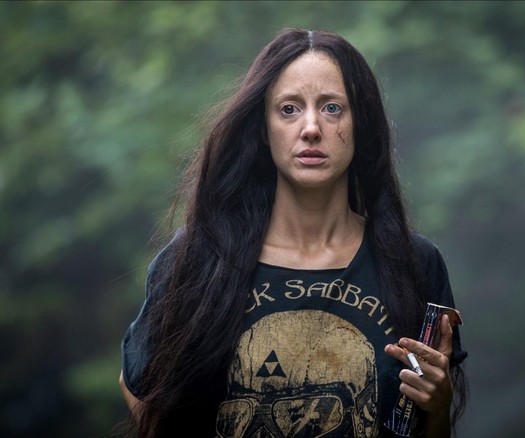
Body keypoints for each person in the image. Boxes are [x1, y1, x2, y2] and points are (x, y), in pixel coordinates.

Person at [119, 27, 467, 438]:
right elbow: (138, 385)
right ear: (263, 129)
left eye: (332, 108)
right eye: (288, 109)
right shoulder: (199, 258)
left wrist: (439, 404)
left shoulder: (415, 265)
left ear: (361, 123)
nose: (311, 128)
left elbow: (428, 427)